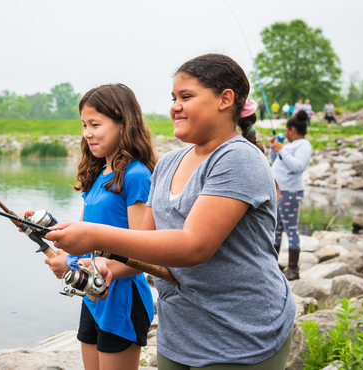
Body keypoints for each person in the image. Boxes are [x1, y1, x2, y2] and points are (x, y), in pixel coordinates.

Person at [48, 54, 296, 369]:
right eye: (173, 98)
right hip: (179, 334)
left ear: (225, 99)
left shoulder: (238, 158)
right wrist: (106, 267)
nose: (175, 106)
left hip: (243, 335)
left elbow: (194, 246)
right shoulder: (167, 163)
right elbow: (144, 249)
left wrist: (94, 235)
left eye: (186, 96)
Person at [23, 84, 156, 370]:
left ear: (124, 123)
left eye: (95, 124)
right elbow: (86, 239)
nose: (87, 133)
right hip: (93, 299)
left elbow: (143, 254)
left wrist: (81, 271)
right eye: (84, 125)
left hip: (122, 299)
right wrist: (43, 231)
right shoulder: (98, 174)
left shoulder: (136, 175)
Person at [268, 110, 313, 281]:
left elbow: (297, 166)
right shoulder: (289, 146)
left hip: (291, 192)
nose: (285, 133)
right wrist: (275, 150)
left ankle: (293, 269)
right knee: (277, 227)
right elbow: (277, 162)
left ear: (292, 130)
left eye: (286, 130)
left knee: (291, 228)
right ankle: (273, 264)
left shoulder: (304, 145)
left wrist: (282, 150)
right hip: (281, 192)